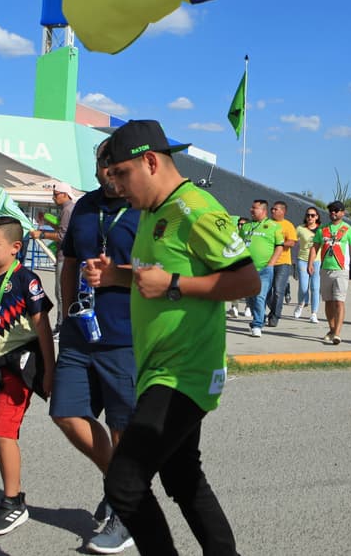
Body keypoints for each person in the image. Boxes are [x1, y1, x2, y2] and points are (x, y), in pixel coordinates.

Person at [85, 119, 259, 556]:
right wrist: (115, 276)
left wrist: (175, 284)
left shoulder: (196, 209)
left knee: (124, 483)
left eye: (121, 175)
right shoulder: (151, 212)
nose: (118, 187)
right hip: (157, 369)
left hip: (185, 372)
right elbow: (153, 277)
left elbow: (247, 281)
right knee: (183, 477)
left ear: (149, 161)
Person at [51, 141, 140, 554]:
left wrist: (117, 275)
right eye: (101, 163)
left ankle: (126, 510)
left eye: (113, 164)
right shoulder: (83, 207)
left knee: (123, 425)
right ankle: (121, 487)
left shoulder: (146, 209)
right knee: (66, 412)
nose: (105, 170)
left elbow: (160, 274)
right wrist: (67, 316)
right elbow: (70, 261)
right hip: (79, 329)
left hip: (126, 334)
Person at [0, 217, 56, 536]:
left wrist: (50, 370)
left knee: (4, 430)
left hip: (20, 365)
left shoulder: (26, 280)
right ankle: (12, 496)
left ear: (16, 248)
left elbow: (42, 326)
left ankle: (13, 502)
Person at [315, 200, 351, 344]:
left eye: (336, 210)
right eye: (331, 210)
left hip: (341, 270)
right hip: (325, 269)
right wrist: (310, 263)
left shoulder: (349, 230)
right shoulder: (322, 229)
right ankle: (332, 328)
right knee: (328, 302)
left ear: (343, 212)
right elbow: (315, 247)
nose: (333, 213)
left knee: (339, 301)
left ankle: (337, 333)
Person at [32, 181, 77, 324]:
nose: (54, 197)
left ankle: (62, 324)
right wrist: (47, 221)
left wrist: (42, 234)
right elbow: (62, 229)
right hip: (65, 256)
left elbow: (62, 236)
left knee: (61, 292)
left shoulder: (67, 210)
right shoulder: (69, 209)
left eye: (56, 194)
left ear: (65, 195)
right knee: (62, 292)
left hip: (64, 257)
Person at [238, 199, 283, 337]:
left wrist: (271, 263)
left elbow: (279, 246)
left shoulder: (273, 226)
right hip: (247, 269)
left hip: (264, 269)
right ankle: (260, 317)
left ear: (263, 210)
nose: (251, 210)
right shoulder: (246, 226)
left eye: (254, 208)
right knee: (250, 298)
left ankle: (257, 324)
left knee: (259, 296)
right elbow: (238, 244)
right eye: (251, 207)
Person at [268, 200, 297, 326]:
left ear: (283, 211)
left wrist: (278, 243)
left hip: (283, 263)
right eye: (272, 209)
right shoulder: (267, 224)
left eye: (276, 209)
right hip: (267, 262)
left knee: (279, 291)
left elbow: (292, 242)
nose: (272, 211)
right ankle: (273, 311)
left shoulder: (288, 225)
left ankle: (275, 316)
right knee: (266, 291)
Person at [295, 207, 322, 321]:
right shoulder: (300, 228)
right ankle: (301, 304)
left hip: (317, 260)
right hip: (302, 259)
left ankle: (314, 313)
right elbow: (294, 241)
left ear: (317, 217)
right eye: (308, 215)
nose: (310, 217)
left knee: (315, 287)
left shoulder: (321, 229)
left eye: (312, 215)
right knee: (303, 286)